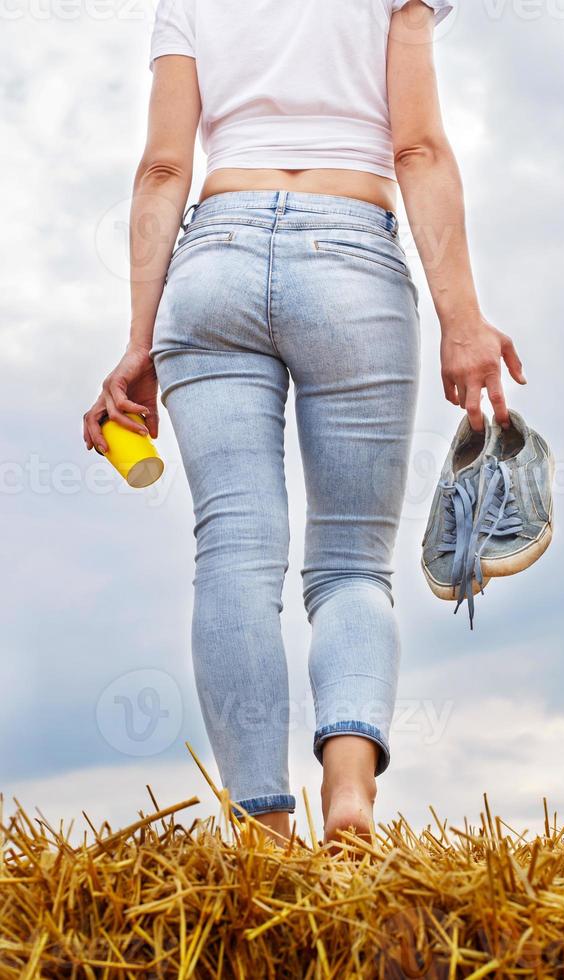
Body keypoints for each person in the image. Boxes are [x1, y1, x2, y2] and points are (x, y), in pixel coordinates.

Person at [83, 0, 525, 844]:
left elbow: (162, 170)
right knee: (352, 566)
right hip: (352, 252)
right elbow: (417, 148)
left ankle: (262, 829)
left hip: (211, 260)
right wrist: (462, 319)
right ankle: (349, 794)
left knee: (236, 554)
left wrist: (138, 342)